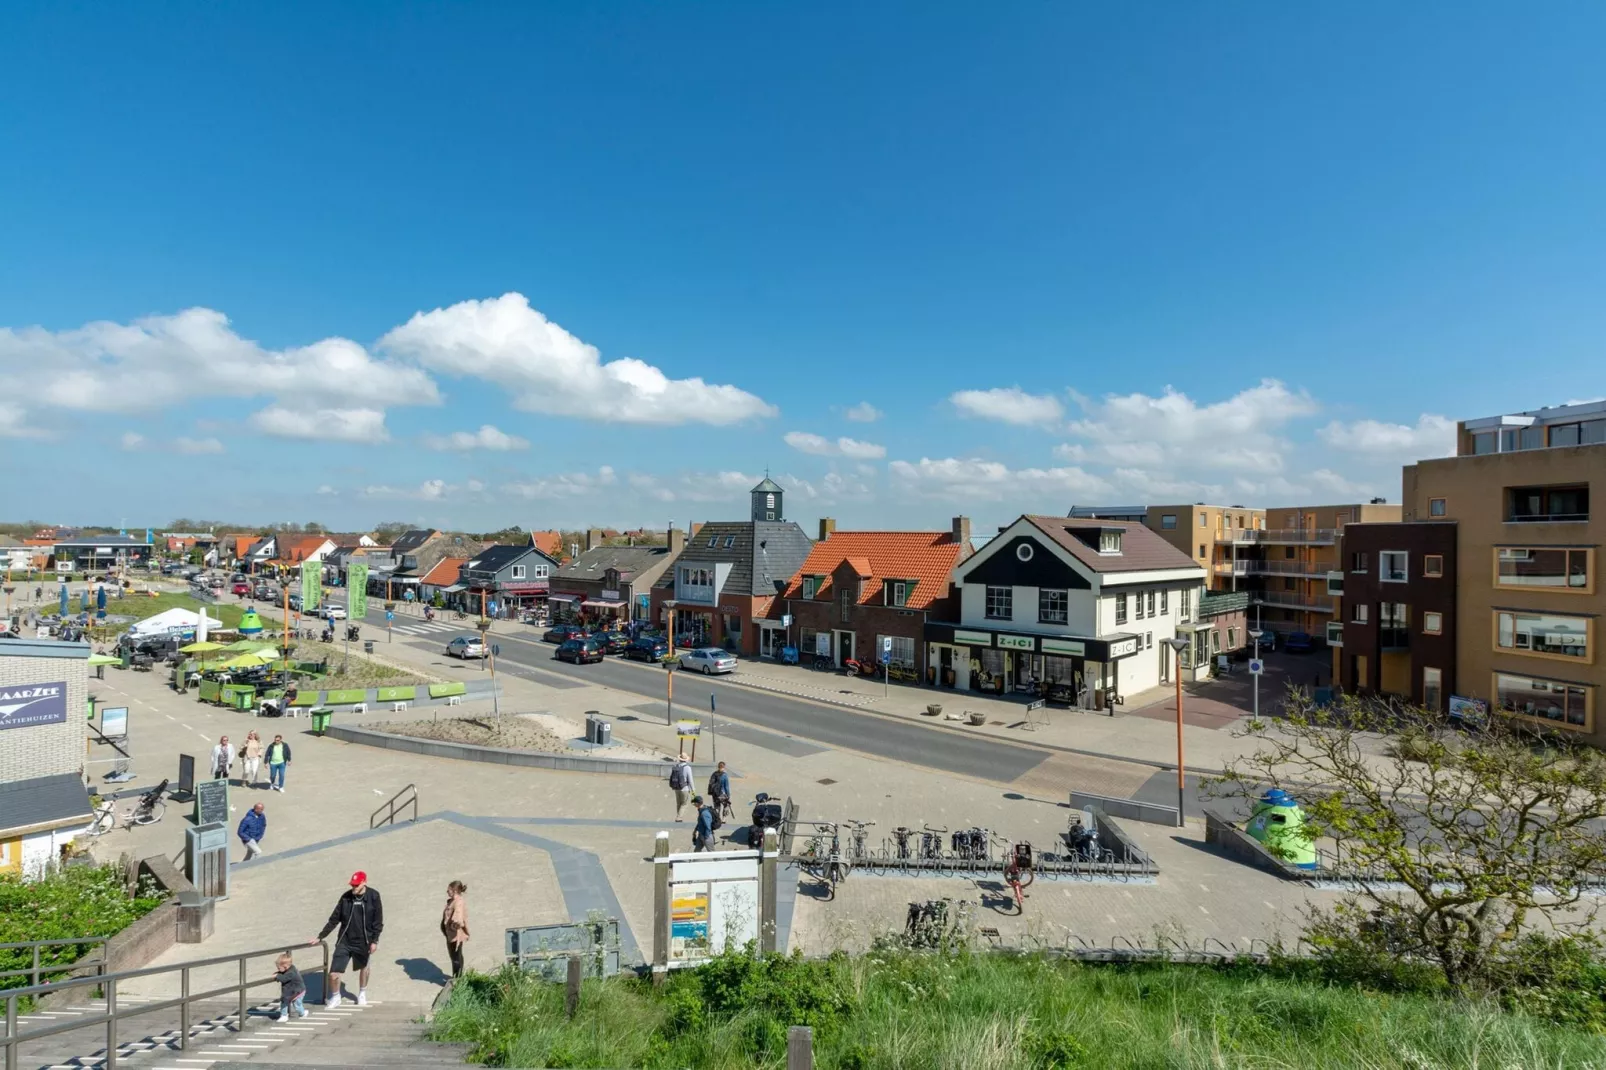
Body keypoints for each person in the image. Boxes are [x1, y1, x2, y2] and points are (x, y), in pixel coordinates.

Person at [315, 871, 383, 1006]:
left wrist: (374, 941)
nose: (354, 888)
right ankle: (335, 996)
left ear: (364, 883)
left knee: (364, 968)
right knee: (333, 973)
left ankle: (362, 993)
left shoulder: (373, 896)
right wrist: (320, 936)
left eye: (357, 885)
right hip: (345, 941)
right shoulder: (346, 897)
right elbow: (334, 919)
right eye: (352, 885)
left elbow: (378, 921)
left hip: (364, 941)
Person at [440, 881, 469, 980]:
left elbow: (458, 915)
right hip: (450, 934)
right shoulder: (452, 900)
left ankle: (457, 980)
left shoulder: (458, 901)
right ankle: (458, 977)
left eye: (449, 889)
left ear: (455, 890)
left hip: (455, 935)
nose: (447, 891)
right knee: (456, 956)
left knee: (455, 957)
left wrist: (456, 923)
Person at [274, 952, 307, 1021]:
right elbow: (283, 974)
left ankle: (302, 1013)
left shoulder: (291, 972)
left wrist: (277, 976)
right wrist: (279, 973)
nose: (278, 969)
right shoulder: (289, 969)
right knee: (285, 1001)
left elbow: (284, 978)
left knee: (296, 1004)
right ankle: (284, 1015)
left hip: (297, 991)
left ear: (285, 967)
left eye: (279, 968)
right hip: (291, 991)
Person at [668, 753, 693, 822]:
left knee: (678, 803)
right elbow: (690, 780)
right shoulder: (687, 768)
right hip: (685, 788)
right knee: (684, 804)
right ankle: (679, 817)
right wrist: (693, 790)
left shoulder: (676, 766)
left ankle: (678, 816)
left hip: (676, 788)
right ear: (686, 760)